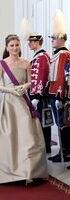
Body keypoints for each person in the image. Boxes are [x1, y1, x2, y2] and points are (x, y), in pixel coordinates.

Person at [0, 34, 47, 185]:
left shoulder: (26, 63)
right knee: (7, 137)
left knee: (27, 136)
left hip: (23, 101)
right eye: (11, 45)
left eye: (17, 45)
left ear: (20, 46)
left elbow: (30, 81)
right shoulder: (1, 64)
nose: (14, 48)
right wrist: (11, 90)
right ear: (7, 47)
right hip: (6, 102)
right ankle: (7, 170)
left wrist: (25, 86)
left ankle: (29, 171)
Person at [47, 32, 70, 162]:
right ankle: (64, 151)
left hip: (59, 95)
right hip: (54, 93)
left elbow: (62, 77)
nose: (52, 41)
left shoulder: (63, 54)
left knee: (63, 123)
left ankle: (65, 152)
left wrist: (60, 97)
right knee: (60, 123)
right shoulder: (58, 54)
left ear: (61, 39)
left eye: (54, 38)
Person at [27, 33, 52, 154]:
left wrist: (37, 96)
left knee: (43, 122)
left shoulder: (42, 57)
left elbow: (42, 77)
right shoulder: (38, 56)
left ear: (36, 42)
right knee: (40, 121)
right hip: (36, 94)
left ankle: (45, 147)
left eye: (31, 41)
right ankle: (43, 146)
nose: (29, 44)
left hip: (40, 95)